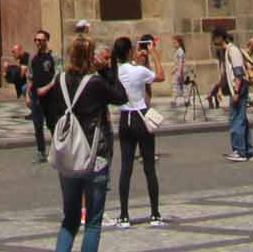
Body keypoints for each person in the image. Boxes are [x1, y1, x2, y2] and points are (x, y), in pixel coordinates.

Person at [38, 33, 125, 252]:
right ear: (91, 57)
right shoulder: (94, 82)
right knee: (93, 222)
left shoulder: (59, 80)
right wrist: (108, 68)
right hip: (95, 154)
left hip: (68, 155)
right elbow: (120, 97)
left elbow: (52, 109)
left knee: (70, 219)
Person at [112, 33, 160, 227]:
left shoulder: (116, 71)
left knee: (126, 168)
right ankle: (155, 214)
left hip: (125, 117)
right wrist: (153, 54)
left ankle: (124, 215)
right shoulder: (138, 70)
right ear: (130, 51)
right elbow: (160, 76)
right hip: (141, 115)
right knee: (148, 166)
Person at [214, 30, 253, 161]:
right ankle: (247, 150)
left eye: (215, 38)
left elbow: (238, 72)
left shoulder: (232, 50)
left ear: (221, 38)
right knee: (241, 119)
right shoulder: (228, 51)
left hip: (239, 88)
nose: (213, 42)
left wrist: (236, 91)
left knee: (236, 119)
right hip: (237, 88)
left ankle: (239, 151)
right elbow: (227, 74)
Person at [29, 29, 57, 162]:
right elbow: (30, 77)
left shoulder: (53, 57)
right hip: (36, 97)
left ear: (46, 41)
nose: (37, 42)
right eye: (36, 40)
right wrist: (28, 96)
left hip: (50, 97)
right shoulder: (34, 59)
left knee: (53, 124)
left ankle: (58, 150)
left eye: (40, 40)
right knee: (38, 125)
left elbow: (58, 76)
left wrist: (47, 88)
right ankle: (41, 152)